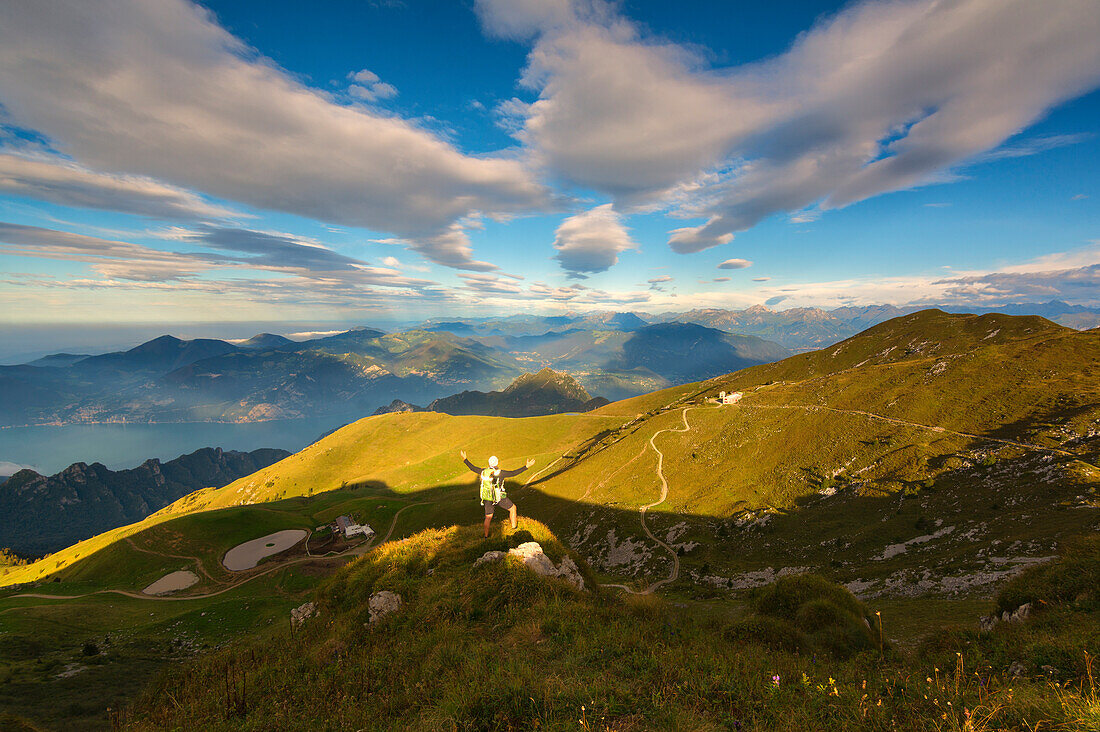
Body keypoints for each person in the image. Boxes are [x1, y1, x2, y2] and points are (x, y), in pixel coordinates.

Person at [460, 450, 535, 537]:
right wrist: (526, 466)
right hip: (499, 497)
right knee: (513, 508)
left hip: (487, 497)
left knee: (488, 517)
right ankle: (514, 529)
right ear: (497, 462)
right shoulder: (501, 473)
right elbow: (514, 473)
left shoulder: (483, 471)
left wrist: (465, 459)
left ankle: (486, 536)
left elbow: (472, 468)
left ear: (489, 464)